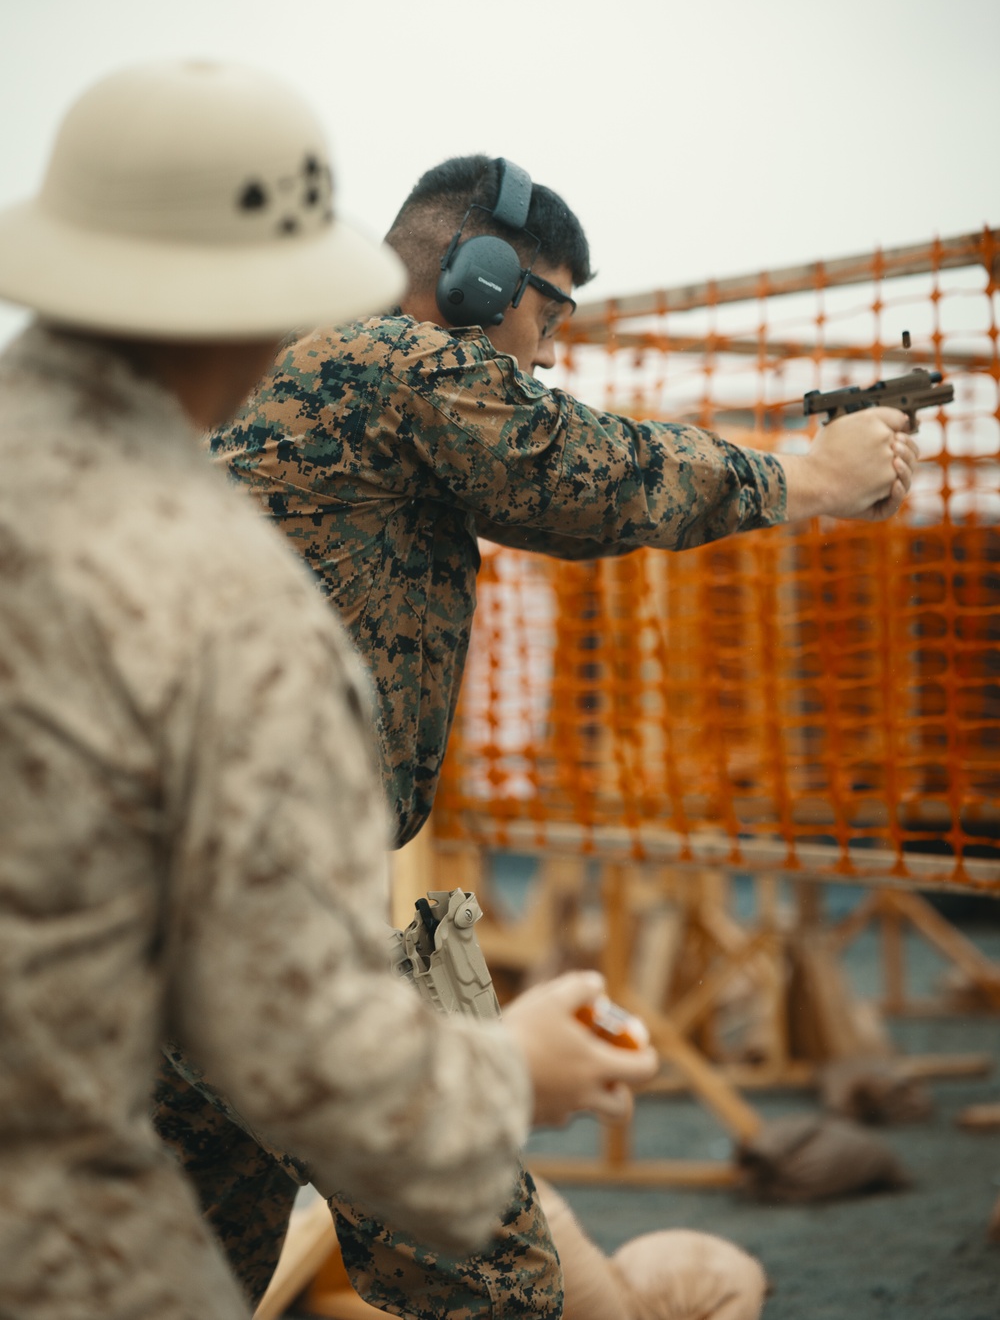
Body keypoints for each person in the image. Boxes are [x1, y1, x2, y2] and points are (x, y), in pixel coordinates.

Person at [205, 153, 918, 1318]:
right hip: (271, 925)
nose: (550, 348)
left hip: (184, 909)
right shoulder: (389, 358)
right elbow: (580, 474)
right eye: (551, 309)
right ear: (479, 277)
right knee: (497, 1288)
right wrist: (807, 476)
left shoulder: (285, 364)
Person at [0, 69, 640, 1320]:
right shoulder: (225, 599)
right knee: (495, 1278)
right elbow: (300, 1032)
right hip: (68, 1225)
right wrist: (511, 1070)